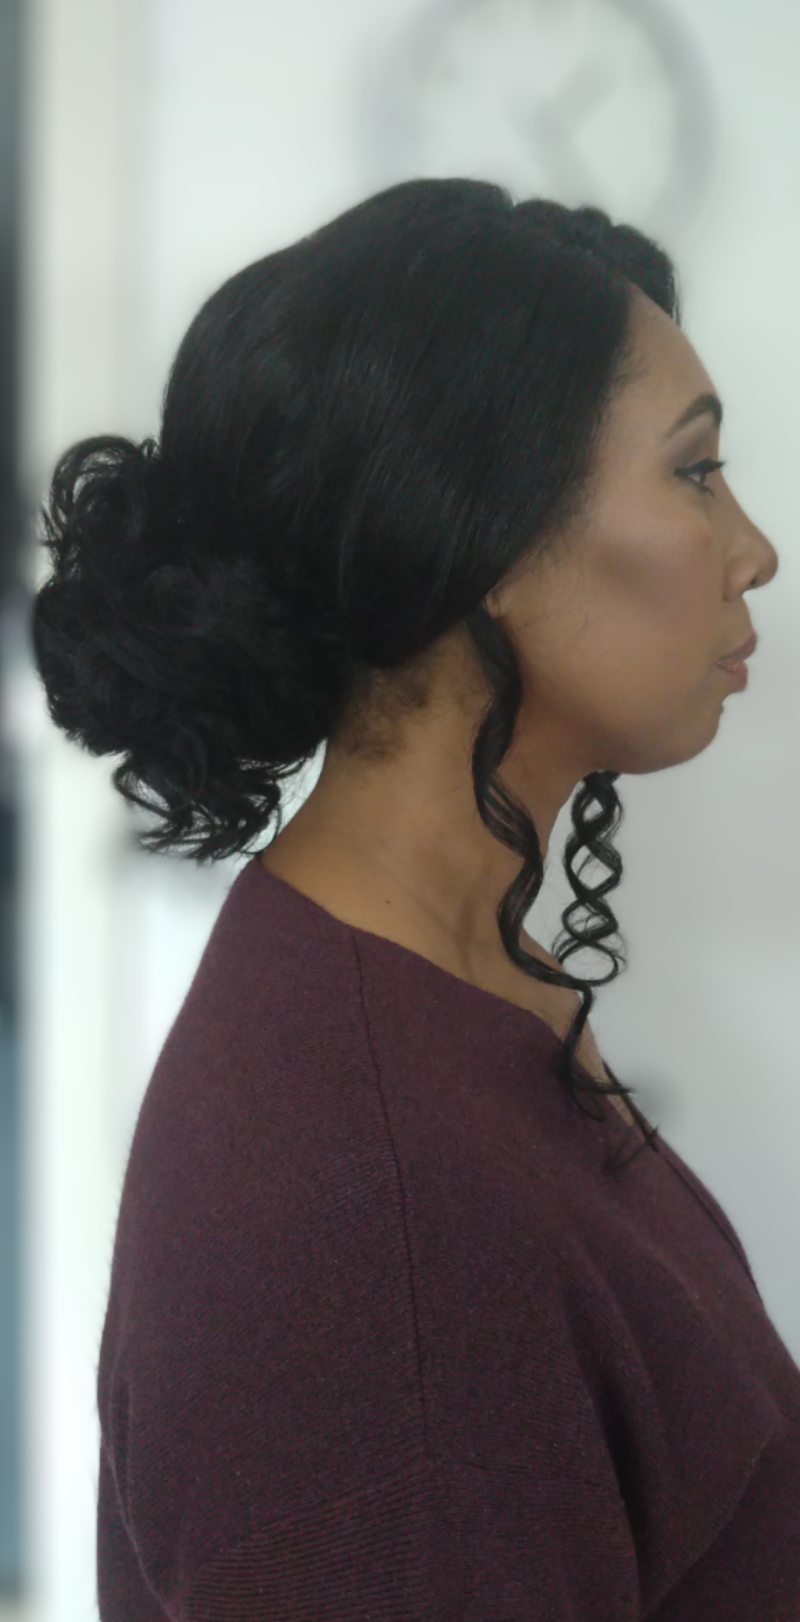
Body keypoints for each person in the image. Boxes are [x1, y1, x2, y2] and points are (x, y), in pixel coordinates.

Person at [31, 180, 798, 1618]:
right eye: (695, 472)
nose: (753, 549)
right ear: (481, 538)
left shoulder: (451, 998)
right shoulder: (371, 1232)